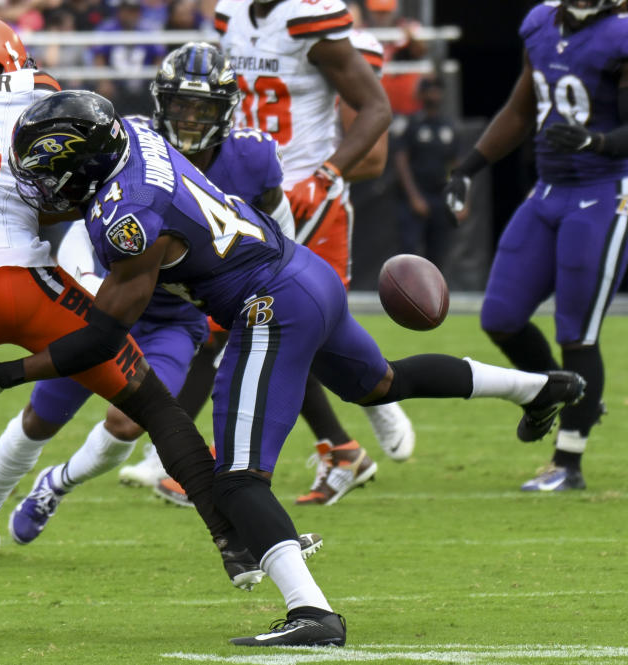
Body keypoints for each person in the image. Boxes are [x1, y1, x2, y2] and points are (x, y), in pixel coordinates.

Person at [0, 89, 585, 647]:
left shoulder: (129, 221)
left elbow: (101, 341)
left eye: (50, 170)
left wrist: (5, 374)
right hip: (304, 272)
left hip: (269, 305)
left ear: (83, 165)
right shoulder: (136, 135)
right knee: (381, 382)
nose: (43, 184)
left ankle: (312, 612)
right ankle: (537, 388)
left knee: (237, 480)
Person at [0, 15, 266, 643]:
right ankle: (230, 543)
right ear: (5, 56)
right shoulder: (28, 84)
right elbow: (76, 132)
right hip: (24, 283)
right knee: (154, 406)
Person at [0, 44, 313, 576]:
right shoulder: (123, 139)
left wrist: (264, 289)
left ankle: (56, 484)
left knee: (128, 422)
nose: (187, 118)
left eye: (200, 109)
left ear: (226, 111)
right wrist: (87, 284)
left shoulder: (251, 155)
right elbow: (76, 226)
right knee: (42, 415)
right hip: (108, 296)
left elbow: (279, 226)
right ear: (160, 103)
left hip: (173, 314)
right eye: (179, 106)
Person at [209, 0, 414, 508]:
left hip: (304, 193)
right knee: (263, 325)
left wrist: (327, 173)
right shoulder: (229, 15)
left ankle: (365, 407)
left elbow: (377, 109)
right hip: (246, 191)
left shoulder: (313, 21)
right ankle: (344, 437)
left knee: (285, 325)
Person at [443, 0, 628, 492]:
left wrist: (599, 144)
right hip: (547, 192)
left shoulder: (620, 35)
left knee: (577, 333)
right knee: (500, 316)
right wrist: (468, 168)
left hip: (603, 193)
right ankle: (565, 392)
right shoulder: (541, 23)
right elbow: (522, 108)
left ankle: (568, 463)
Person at [394, 75, 459, 269]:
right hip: (415, 195)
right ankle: (406, 293)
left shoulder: (448, 126)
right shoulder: (411, 124)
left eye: (437, 89)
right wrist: (414, 196)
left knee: (438, 251)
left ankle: (433, 294)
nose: (434, 94)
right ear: (421, 94)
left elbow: (456, 164)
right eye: (429, 89)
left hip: (440, 195)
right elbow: (401, 161)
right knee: (410, 249)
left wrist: (459, 197)